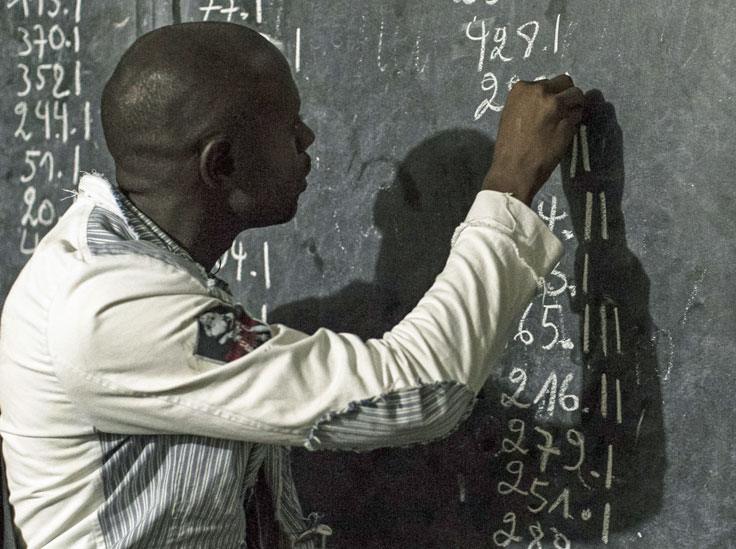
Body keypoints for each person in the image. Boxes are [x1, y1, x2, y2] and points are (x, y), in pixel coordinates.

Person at [0, 21, 582, 548]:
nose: (308, 139)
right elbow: (420, 392)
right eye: (287, 126)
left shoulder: (121, 258)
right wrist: (509, 184)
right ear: (219, 164)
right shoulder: (113, 309)